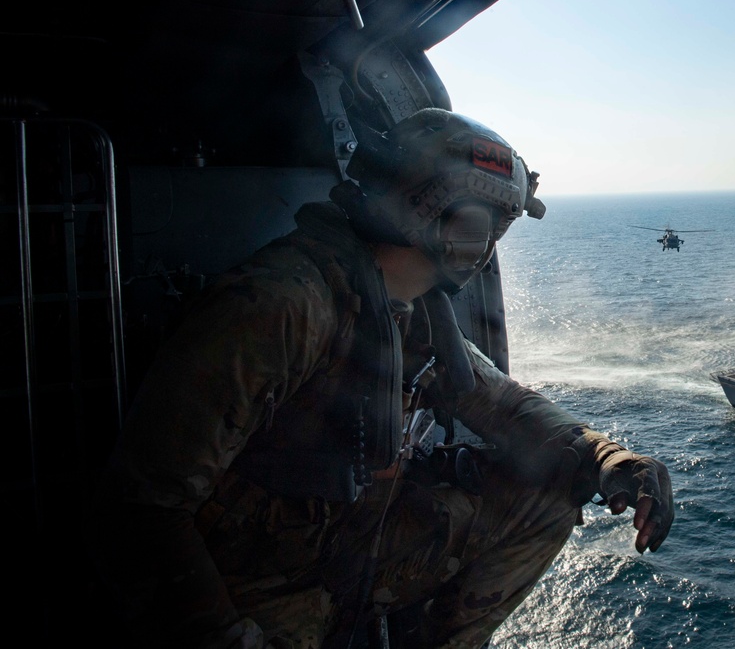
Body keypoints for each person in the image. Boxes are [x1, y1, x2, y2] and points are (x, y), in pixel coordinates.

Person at [88, 108, 675, 649]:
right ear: (444, 217)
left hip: (351, 547)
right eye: (487, 222)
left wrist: (605, 456)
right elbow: (141, 511)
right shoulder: (284, 306)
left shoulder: (409, 306)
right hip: (263, 582)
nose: (489, 242)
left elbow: (495, 398)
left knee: (553, 491)